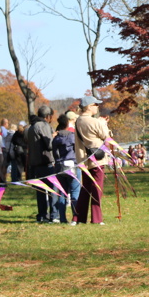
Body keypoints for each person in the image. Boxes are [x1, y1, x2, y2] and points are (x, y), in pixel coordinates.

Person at [73, 96, 110, 225]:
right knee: (97, 188)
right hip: (97, 159)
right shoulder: (94, 121)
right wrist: (103, 123)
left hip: (84, 159)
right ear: (89, 106)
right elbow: (106, 136)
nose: (97, 107)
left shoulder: (78, 121)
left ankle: (78, 218)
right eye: (95, 104)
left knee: (85, 189)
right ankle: (97, 218)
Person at [26, 105, 56, 223]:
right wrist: (54, 137)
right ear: (47, 116)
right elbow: (49, 144)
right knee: (52, 190)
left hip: (35, 163)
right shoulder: (43, 125)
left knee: (41, 191)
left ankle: (42, 215)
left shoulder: (31, 126)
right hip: (45, 161)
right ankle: (53, 215)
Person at [52, 114, 78, 224]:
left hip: (59, 166)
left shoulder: (56, 138)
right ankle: (75, 217)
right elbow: (76, 149)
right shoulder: (72, 136)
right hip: (72, 165)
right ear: (67, 124)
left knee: (62, 193)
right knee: (74, 191)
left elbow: (54, 153)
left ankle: (62, 217)